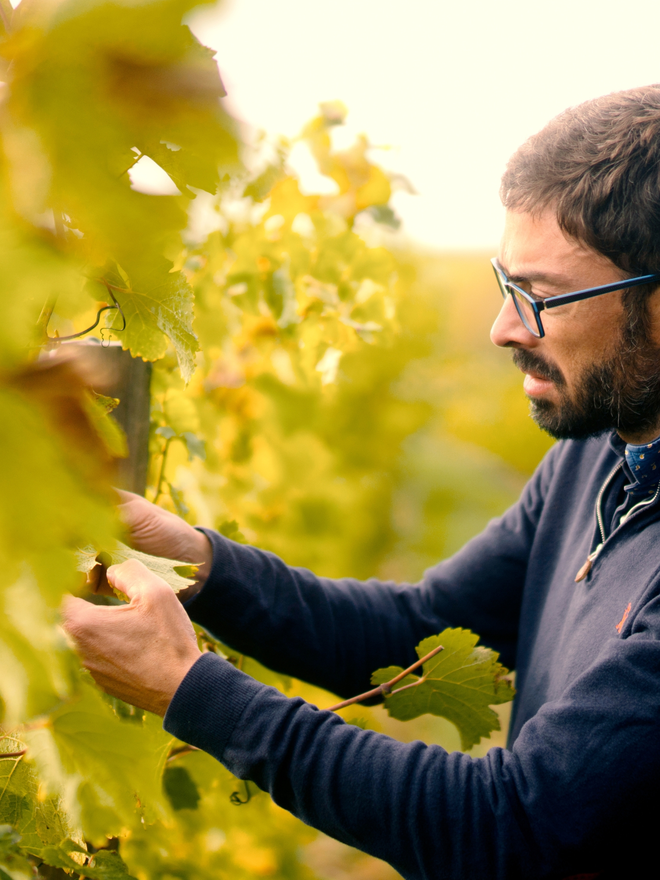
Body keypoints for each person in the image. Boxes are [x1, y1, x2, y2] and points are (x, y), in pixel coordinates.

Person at [63, 85, 660, 880]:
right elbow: (422, 631)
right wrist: (205, 564)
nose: (503, 327)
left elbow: (512, 825)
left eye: (541, 298)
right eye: (504, 284)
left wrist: (189, 689)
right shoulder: (602, 457)